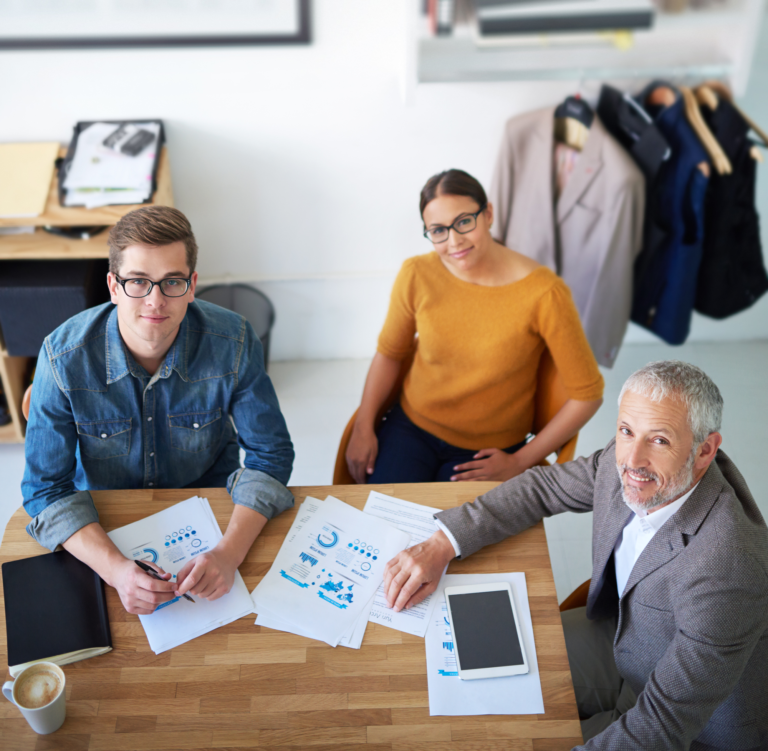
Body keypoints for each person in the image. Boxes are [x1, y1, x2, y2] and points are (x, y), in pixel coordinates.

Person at [383, 360, 768, 750]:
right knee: (477, 662)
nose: (632, 461)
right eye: (626, 430)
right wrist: (442, 544)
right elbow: (543, 487)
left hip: (693, 726)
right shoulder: (629, 463)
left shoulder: (729, 568)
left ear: (705, 451)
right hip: (623, 641)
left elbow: (664, 723)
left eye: (660, 440)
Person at [22, 206, 294, 616]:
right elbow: (44, 490)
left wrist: (229, 554)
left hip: (213, 515)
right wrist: (116, 571)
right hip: (103, 522)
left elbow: (271, 455)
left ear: (192, 285)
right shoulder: (61, 357)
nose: (155, 301)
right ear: (113, 286)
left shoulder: (234, 342)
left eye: (172, 282)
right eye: (138, 282)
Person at [345, 169, 604, 485]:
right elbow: (390, 354)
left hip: (488, 451)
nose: (454, 241)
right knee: (383, 526)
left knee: (454, 532)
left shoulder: (544, 293)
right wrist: (363, 426)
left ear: (488, 214)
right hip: (410, 427)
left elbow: (588, 395)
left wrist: (521, 460)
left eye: (464, 221)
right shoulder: (416, 273)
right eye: (438, 230)